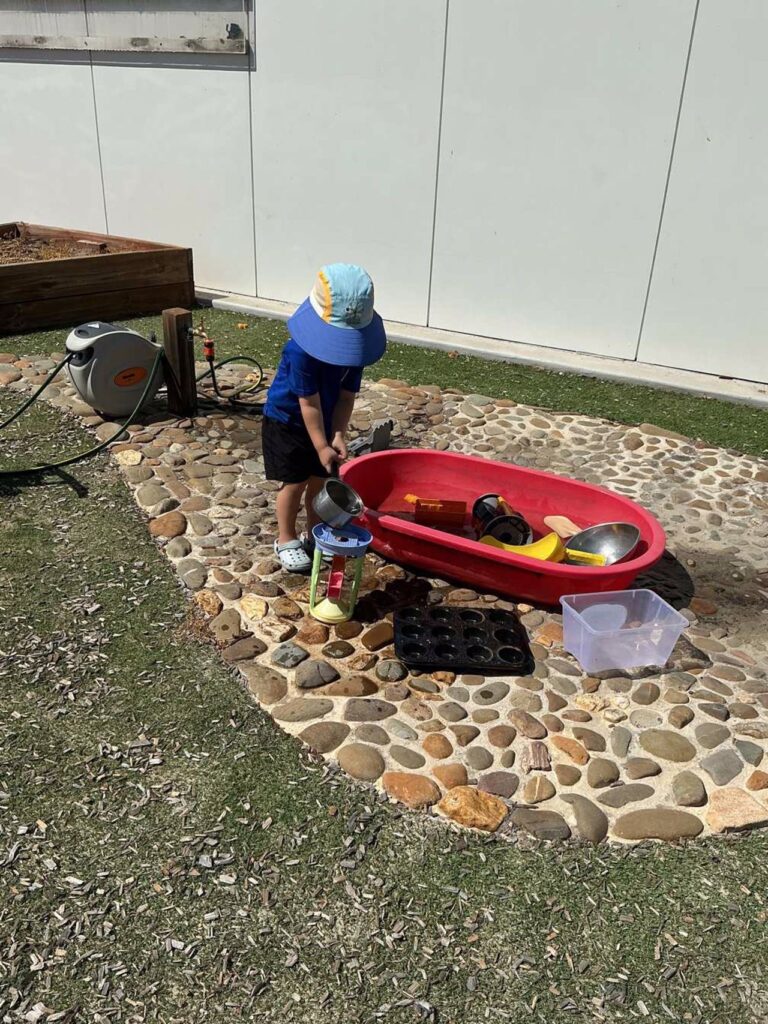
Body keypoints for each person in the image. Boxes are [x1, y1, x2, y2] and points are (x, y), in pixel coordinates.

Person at [262, 263, 387, 572]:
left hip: (325, 420)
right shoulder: (300, 352)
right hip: (288, 421)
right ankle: (286, 539)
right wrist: (321, 445)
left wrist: (338, 434)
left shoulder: (355, 353)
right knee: (295, 483)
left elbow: (345, 397)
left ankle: (314, 533)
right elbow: (309, 404)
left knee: (320, 483)